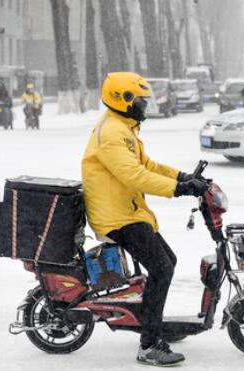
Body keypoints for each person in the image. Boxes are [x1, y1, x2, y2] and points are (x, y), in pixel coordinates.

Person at [82, 72, 207, 366]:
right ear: (123, 100)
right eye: (141, 100)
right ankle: (149, 345)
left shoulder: (123, 128)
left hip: (126, 210)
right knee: (162, 267)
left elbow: (145, 164)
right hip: (115, 216)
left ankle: (153, 321)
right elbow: (133, 175)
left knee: (167, 262)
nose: (145, 106)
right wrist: (179, 189)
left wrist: (182, 176)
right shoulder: (113, 133)